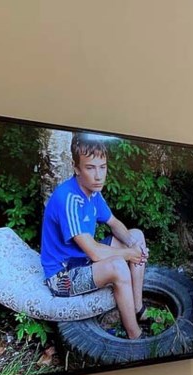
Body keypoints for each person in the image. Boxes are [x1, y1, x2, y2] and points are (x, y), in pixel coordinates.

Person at [40, 135, 149, 339]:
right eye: (90, 168)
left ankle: (137, 308)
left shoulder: (93, 192)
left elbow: (114, 223)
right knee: (118, 265)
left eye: (103, 167)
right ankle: (136, 337)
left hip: (83, 260)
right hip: (63, 276)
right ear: (76, 168)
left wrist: (135, 246)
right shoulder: (69, 199)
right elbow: (94, 251)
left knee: (137, 235)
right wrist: (129, 254)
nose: (98, 176)